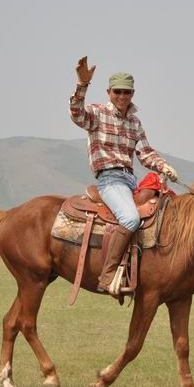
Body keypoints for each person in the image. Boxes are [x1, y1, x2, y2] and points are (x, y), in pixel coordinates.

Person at [69, 56, 178, 295]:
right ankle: (106, 276)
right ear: (109, 92)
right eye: (117, 91)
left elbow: (145, 153)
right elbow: (77, 115)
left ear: (132, 94)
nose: (122, 96)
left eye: (126, 92)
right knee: (129, 218)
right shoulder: (97, 113)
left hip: (129, 180)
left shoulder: (135, 123)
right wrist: (82, 85)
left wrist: (164, 167)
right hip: (109, 179)